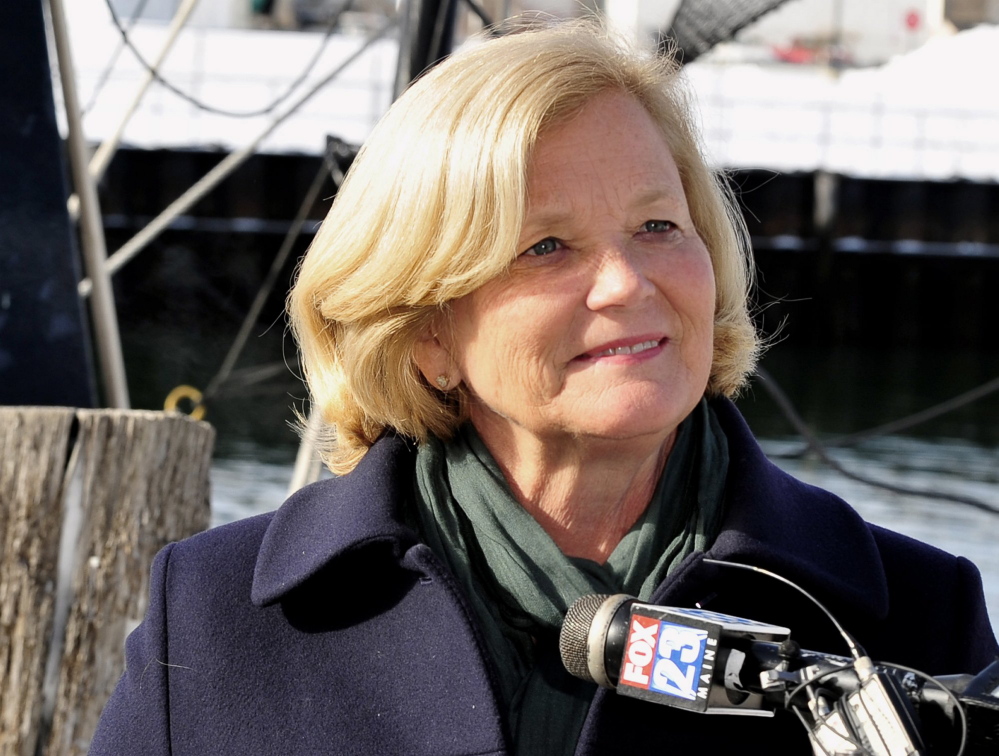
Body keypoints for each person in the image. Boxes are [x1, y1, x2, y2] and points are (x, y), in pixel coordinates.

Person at [90, 19, 997, 755]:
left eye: (655, 224)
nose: (627, 284)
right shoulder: (217, 619)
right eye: (546, 247)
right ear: (426, 331)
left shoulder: (911, 617)